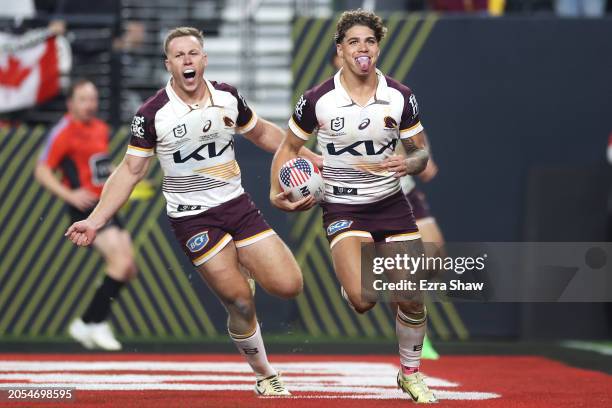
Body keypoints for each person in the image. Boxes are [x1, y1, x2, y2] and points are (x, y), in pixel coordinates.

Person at [65, 26, 319, 396]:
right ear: (168, 64)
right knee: (239, 302)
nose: (187, 60)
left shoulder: (227, 96)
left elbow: (261, 132)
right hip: (192, 218)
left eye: (193, 53)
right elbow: (130, 170)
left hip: (237, 206)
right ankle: (264, 374)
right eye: (179, 55)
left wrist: (309, 155)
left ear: (204, 59)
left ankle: (244, 264)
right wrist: (95, 220)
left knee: (289, 286)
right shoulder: (152, 114)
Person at [271, 9, 437, 403]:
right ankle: (354, 285)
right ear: (340, 51)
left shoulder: (401, 96)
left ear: (378, 48)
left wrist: (409, 162)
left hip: (391, 203)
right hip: (343, 206)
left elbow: (421, 154)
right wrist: (275, 193)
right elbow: (289, 148)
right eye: (353, 42)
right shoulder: (317, 100)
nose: (362, 49)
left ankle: (411, 374)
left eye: (369, 41)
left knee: (412, 294)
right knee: (364, 300)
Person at [331, 50, 443, 360]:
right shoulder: (326, 104)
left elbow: (413, 132)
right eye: (342, 58)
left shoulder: (390, 93)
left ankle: (399, 297)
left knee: (433, 257)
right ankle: (416, 337)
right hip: (357, 199)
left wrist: (418, 158)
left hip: (400, 190)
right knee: (369, 293)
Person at [35, 79, 136, 350]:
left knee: (128, 268)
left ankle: (88, 321)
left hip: (106, 205)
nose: (90, 104)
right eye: (83, 99)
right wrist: (70, 195)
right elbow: (42, 170)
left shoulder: (100, 128)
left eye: (92, 99)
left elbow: (98, 166)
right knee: (120, 263)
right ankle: (94, 323)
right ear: (70, 103)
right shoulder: (64, 131)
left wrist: (120, 179)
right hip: (86, 208)